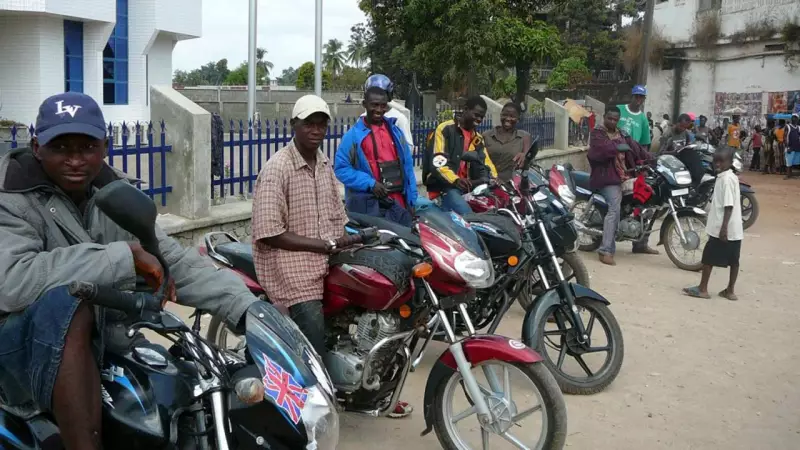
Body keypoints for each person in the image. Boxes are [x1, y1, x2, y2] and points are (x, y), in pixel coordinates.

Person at [0, 92, 259, 450]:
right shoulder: (12, 198)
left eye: (87, 146)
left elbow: (174, 260)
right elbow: (14, 279)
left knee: (183, 389)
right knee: (70, 304)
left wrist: (248, 310)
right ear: (36, 147)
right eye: (61, 147)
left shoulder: (114, 194)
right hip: (21, 356)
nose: (75, 159)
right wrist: (123, 257)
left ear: (104, 146)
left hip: (109, 344)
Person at [252, 94, 413, 419]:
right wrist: (321, 245)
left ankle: (368, 388)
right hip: (289, 264)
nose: (315, 129)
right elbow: (270, 232)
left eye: (321, 124)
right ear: (293, 125)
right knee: (313, 337)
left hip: (327, 256)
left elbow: (336, 214)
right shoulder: (277, 168)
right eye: (308, 123)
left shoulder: (323, 165)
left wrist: (352, 240)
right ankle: (314, 406)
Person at [335, 86, 417, 225]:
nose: (379, 110)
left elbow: (408, 167)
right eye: (374, 105)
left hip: (398, 204)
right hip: (370, 207)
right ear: (365, 104)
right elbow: (341, 169)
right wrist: (370, 183)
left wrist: (411, 200)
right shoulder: (353, 136)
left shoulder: (396, 132)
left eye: (383, 105)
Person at [587, 106, 658, 266]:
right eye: (609, 118)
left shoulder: (623, 134)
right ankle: (605, 250)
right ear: (604, 117)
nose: (612, 122)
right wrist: (616, 146)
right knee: (614, 209)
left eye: (615, 119)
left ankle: (640, 244)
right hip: (607, 179)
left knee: (647, 199)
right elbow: (599, 152)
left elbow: (637, 149)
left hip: (625, 176)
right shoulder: (597, 133)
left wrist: (653, 159)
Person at [683, 147, 742, 301]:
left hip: (722, 228)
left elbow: (728, 206)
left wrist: (723, 228)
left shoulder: (726, 180)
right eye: (715, 160)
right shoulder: (731, 177)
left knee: (708, 258)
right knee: (734, 260)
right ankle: (730, 290)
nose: (717, 164)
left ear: (730, 162)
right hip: (735, 229)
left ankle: (702, 289)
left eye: (721, 161)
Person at [422, 96, 497, 215]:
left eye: (481, 117)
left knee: (493, 211)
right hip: (444, 188)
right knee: (469, 217)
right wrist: (456, 180)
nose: (478, 119)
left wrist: (494, 178)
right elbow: (438, 163)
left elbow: (486, 161)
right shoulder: (445, 129)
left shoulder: (477, 138)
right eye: (476, 115)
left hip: (467, 189)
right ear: (466, 109)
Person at [360, 74, 414, 150]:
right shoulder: (363, 117)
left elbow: (409, 147)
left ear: (389, 96)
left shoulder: (399, 118)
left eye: (381, 94)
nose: (377, 97)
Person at [483, 102, 531, 182]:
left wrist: (524, 155)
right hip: (488, 183)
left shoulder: (524, 137)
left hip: (511, 187)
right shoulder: (486, 135)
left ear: (518, 118)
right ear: (501, 115)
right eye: (505, 115)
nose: (508, 119)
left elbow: (528, 159)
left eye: (512, 116)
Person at [784, 113, 800, 179]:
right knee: (788, 161)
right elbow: (785, 137)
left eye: (795, 117)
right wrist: (787, 147)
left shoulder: (799, 127)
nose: (794, 118)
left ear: (797, 119)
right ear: (791, 118)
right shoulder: (787, 126)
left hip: (797, 147)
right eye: (793, 117)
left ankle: (790, 175)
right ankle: (788, 175)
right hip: (790, 147)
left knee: (793, 161)